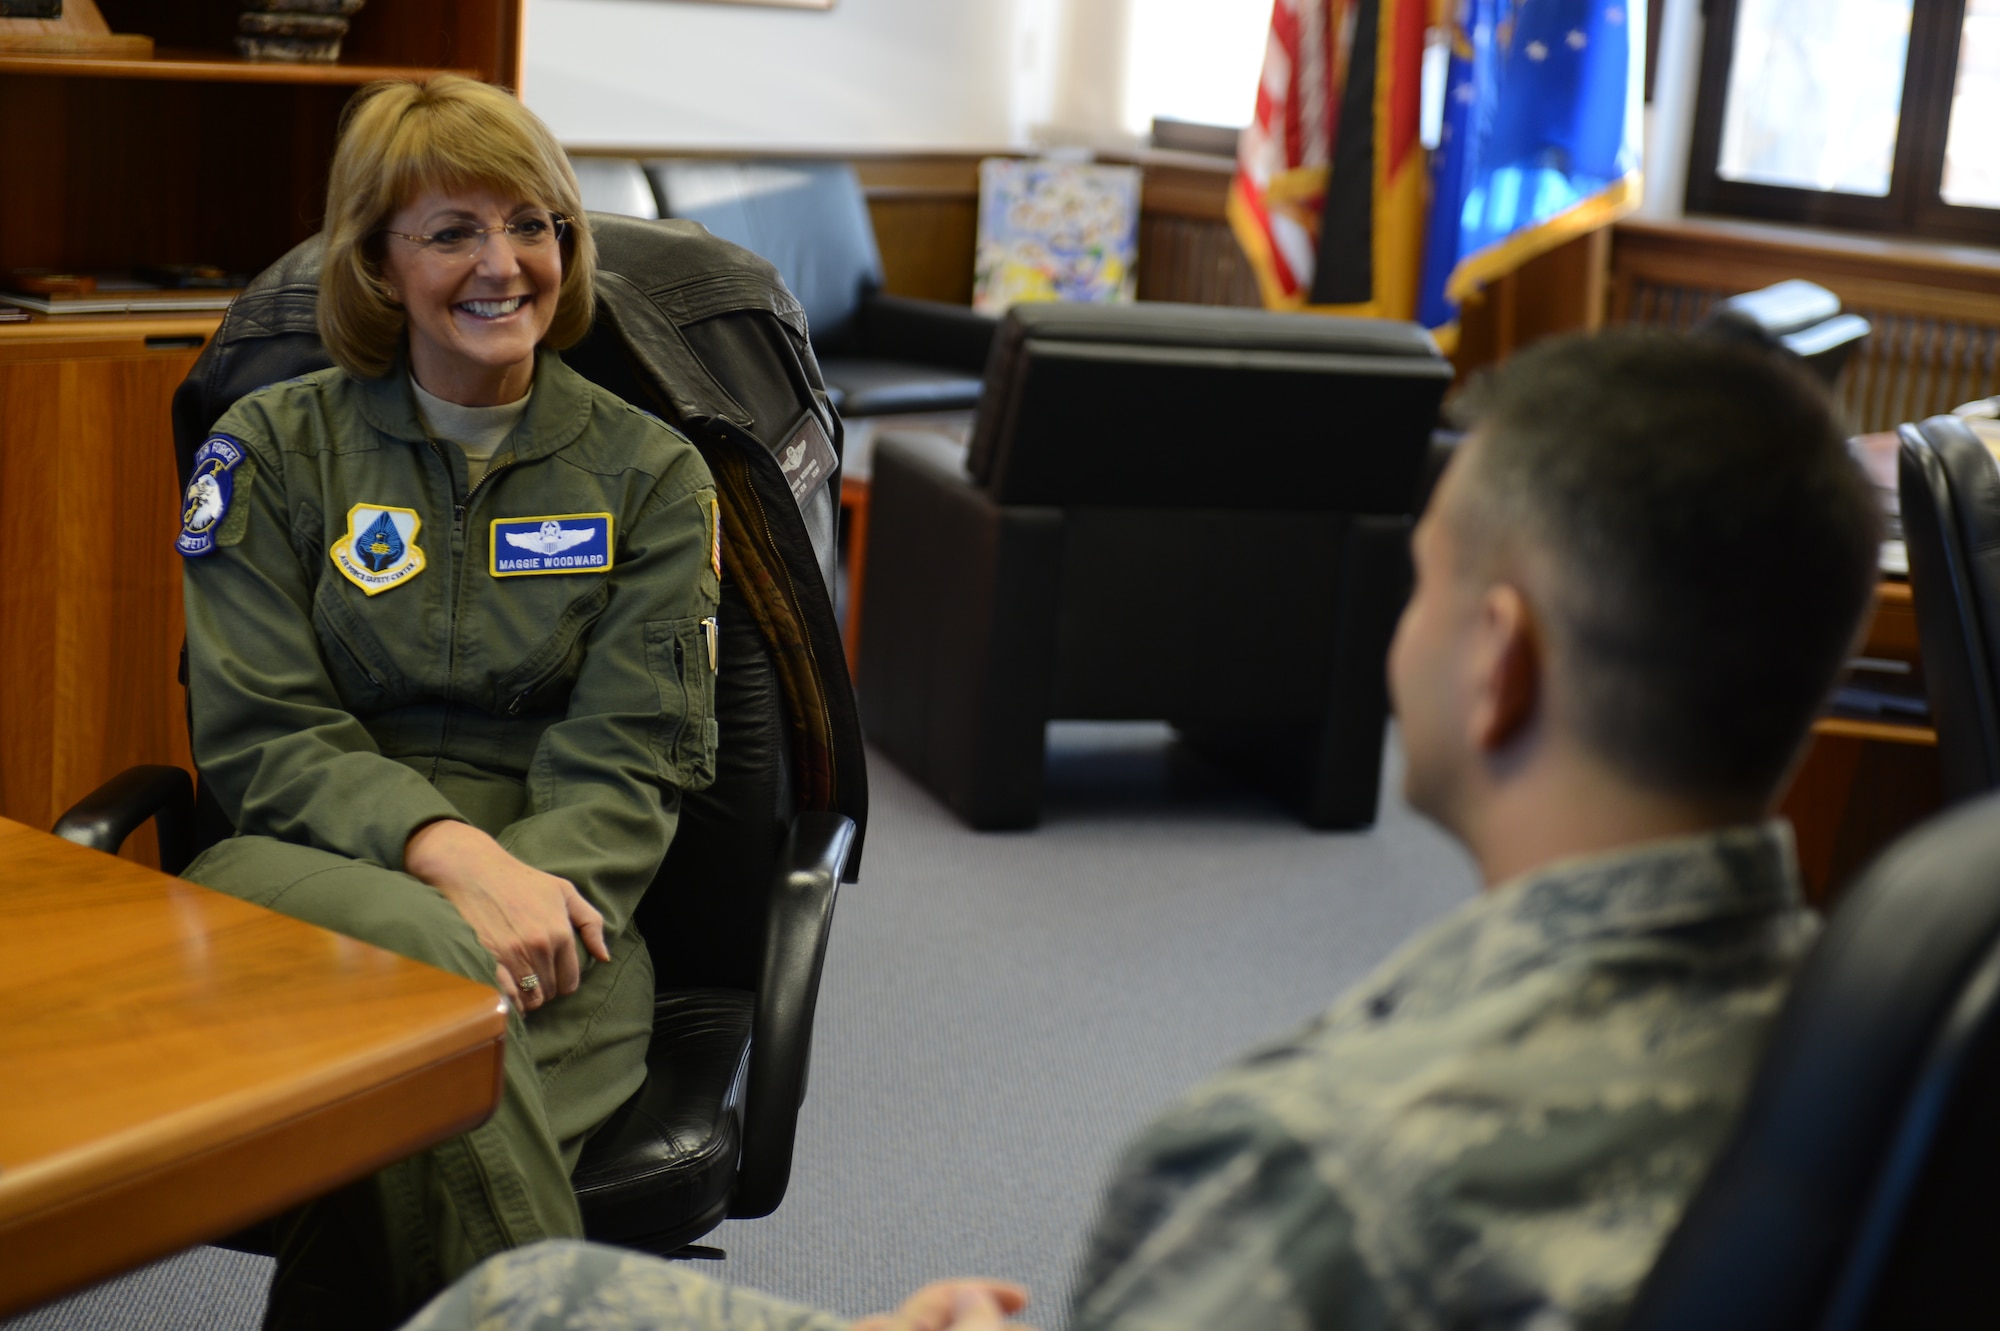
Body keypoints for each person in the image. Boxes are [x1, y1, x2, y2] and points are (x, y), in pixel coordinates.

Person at [394, 327, 1881, 1331]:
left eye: (1422, 579)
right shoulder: (1879, 1039)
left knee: (514, 1301)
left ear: (1501, 662)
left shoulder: (1304, 1158)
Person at [176, 74, 721, 1328]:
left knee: (394, 1137)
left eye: (532, 225)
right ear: (376, 262)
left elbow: (630, 754)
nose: (504, 263)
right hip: (299, 878)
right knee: (426, 969)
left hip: (565, 909)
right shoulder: (269, 448)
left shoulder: (650, 472)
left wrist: (531, 899)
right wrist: (451, 860)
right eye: (453, 231)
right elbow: (264, 734)